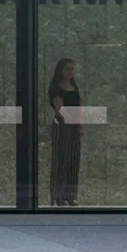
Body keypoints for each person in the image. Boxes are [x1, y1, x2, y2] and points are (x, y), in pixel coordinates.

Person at [46, 58, 84, 207]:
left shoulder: (74, 86)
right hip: (62, 127)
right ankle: (58, 196)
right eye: (68, 69)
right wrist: (71, 121)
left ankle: (70, 196)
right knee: (61, 161)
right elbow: (60, 109)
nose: (70, 72)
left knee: (73, 161)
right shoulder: (55, 88)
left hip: (74, 127)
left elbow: (79, 106)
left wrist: (79, 125)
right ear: (61, 70)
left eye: (72, 69)